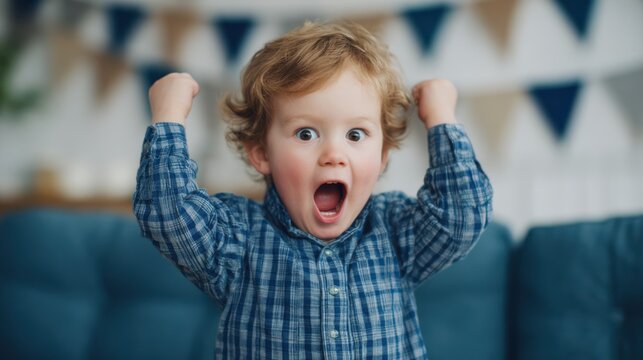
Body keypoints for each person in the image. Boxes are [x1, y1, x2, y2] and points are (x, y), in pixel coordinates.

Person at [133, 21, 493, 359]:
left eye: (356, 134)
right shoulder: (237, 242)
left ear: (382, 157)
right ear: (261, 153)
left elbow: (461, 215)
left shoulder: (396, 234)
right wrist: (169, 117)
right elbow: (169, 214)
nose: (333, 155)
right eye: (306, 133)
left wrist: (442, 119)